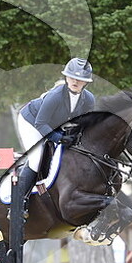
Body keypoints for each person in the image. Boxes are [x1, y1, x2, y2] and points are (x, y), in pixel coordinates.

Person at [16, 57, 95, 197]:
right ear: (66, 77)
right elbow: (40, 123)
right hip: (31, 122)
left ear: (86, 82)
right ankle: (18, 202)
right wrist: (60, 138)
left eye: (79, 79)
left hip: (54, 124)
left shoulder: (89, 99)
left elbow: (85, 124)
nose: (75, 82)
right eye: (72, 77)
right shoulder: (55, 96)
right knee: (36, 160)